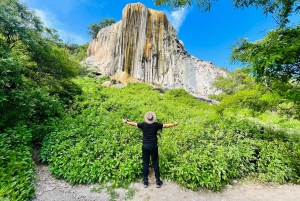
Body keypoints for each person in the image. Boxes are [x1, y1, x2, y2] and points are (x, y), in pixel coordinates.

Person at [122, 111, 179, 188]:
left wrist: (126, 122)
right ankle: (158, 182)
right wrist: (174, 124)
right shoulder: (156, 125)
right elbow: (165, 125)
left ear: (146, 119)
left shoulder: (143, 125)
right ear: (153, 119)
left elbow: (134, 124)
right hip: (153, 146)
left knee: (145, 163)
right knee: (155, 163)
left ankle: (145, 182)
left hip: (145, 146)